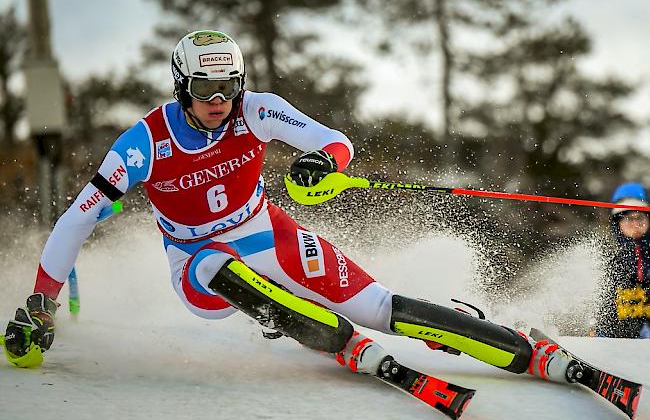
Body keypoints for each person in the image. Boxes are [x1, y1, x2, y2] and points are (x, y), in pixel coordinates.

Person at [4, 30, 571, 384]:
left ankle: (518, 352)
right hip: (197, 261)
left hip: (267, 232)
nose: (219, 101)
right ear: (182, 87)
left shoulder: (258, 109)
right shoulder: (144, 142)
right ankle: (323, 332)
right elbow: (77, 218)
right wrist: (41, 303)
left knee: (377, 304)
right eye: (205, 89)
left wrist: (322, 163)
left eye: (228, 86)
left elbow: (337, 142)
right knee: (211, 266)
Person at [595, 182, 650, 338]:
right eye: (627, 218)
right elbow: (602, 310)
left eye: (640, 217)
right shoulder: (608, 261)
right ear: (617, 223)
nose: (635, 224)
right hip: (619, 347)